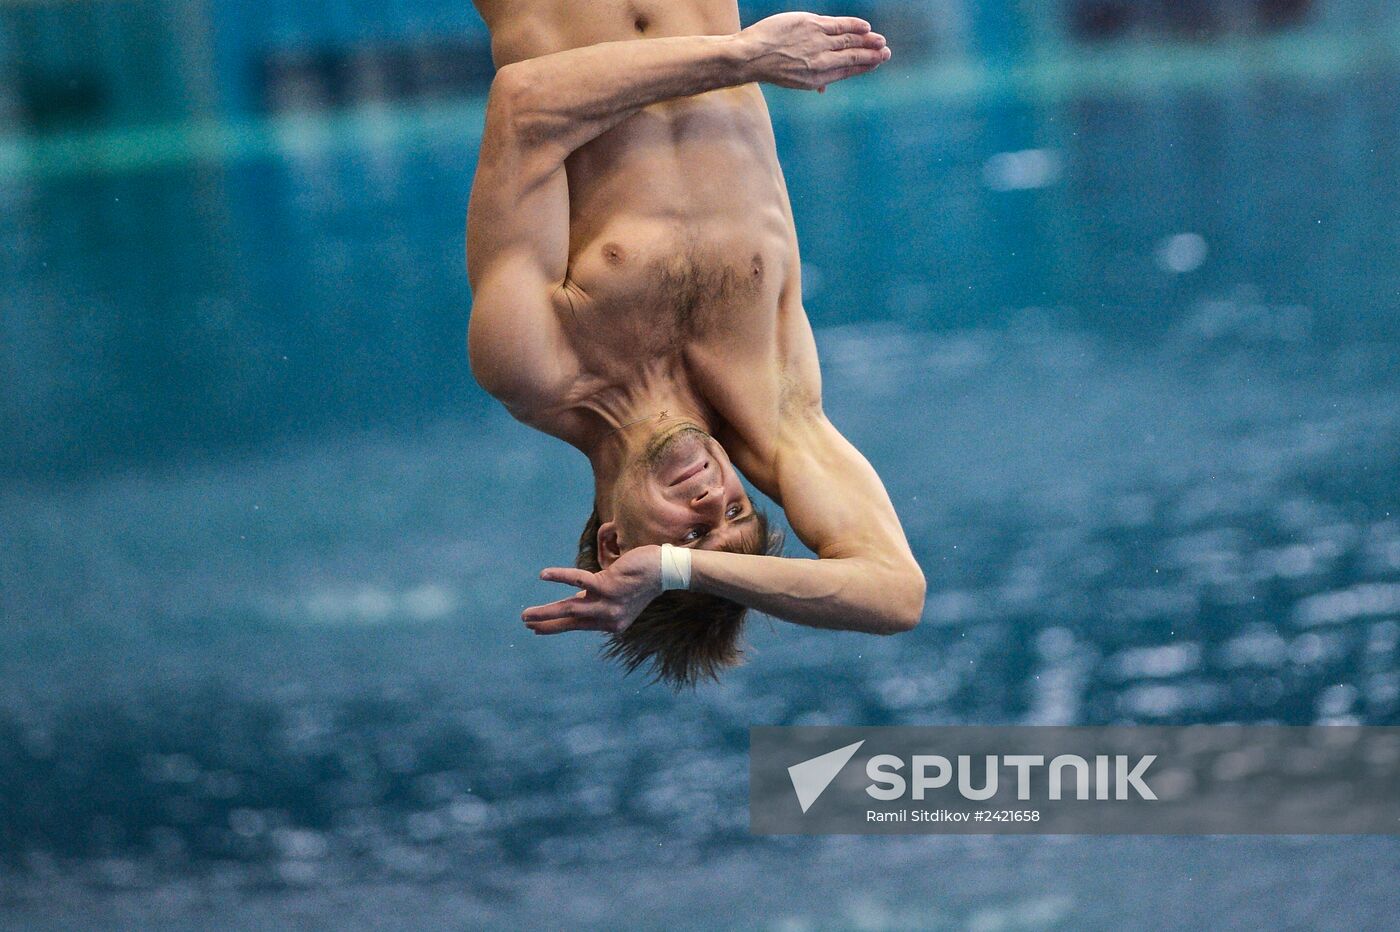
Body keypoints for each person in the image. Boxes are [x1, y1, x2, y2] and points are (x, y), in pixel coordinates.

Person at [466, 1, 925, 686]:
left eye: (685, 533)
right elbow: (897, 595)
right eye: (735, 511)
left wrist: (744, 57)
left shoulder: (536, 367)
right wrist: (680, 566)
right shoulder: (776, 407)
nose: (711, 503)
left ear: (617, 542)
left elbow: (525, 107)